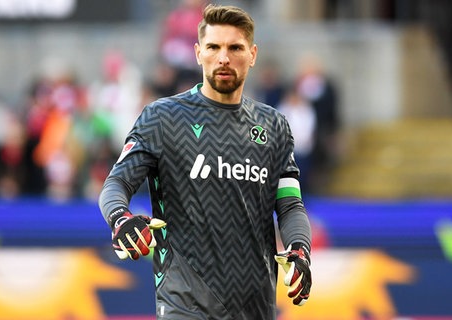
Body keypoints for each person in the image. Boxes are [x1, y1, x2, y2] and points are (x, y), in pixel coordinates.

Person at [99, 5, 312, 319]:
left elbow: (291, 206)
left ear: (252, 54)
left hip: (257, 308)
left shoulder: (274, 126)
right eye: (214, 47)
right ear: (198, 53)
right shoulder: (163, 117)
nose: (223, 58)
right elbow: (116, 183)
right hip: (184, 307)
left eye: (235, 47)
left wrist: (300, 250)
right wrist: (120, 218)